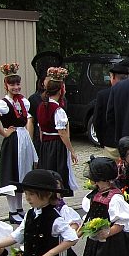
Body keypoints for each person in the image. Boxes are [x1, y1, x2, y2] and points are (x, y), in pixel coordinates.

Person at [0, 63, 38, 224]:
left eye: (17, 84)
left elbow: (29, 119)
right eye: (12, 84)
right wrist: (4, 132)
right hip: (13, 140)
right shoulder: (3, 103)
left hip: (23, 138)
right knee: (13, 173)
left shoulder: (23, 101)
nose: (16, 87)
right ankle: (11, 210)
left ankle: (19, 208)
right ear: (6, 85)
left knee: (22, 172)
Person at [36, 66, 79, 197]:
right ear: (61, 90)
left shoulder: (42, 106)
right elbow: (62, 133)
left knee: (49, 172)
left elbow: (41, 129)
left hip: (46, 145)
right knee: (58, 173)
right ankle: (58, 200)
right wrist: (71, 150)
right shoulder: (57, 110)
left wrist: (43, 146)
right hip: (57, 146)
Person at [93, 60, 129, 160]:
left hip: (110, 142)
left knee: (112, 172)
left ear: (113, 77)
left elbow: (97, 120)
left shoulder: (103, 95)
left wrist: (102, 140)